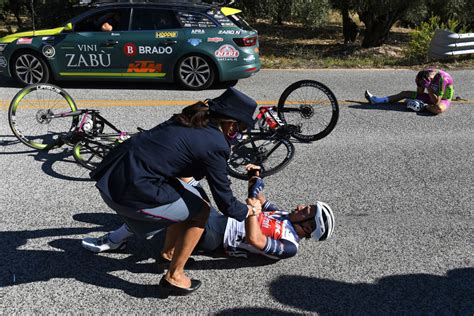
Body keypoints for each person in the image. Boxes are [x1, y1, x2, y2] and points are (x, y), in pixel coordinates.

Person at [82, 87, 258, 297]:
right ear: (231, 124)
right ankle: (174, 277)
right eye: (241, 128)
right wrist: (248, 211)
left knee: (191, 200)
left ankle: (168, 254)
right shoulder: (216, 143)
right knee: (200, 212)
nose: (239, 134)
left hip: (112, 177)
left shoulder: (190, 119)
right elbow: (226, 202)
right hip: (125, 191)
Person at [83, 167, 335, 262]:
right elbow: (259, 198)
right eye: (306, 205)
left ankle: (115, 238)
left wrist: (250, 214)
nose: (301, 206)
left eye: (307, 210)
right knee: (185, 176)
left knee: (180, 208)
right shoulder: (282, 215)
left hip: (218, 237)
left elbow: (257, 242)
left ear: (309, 227)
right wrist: (255, 177)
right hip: (219, 218)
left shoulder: (290, 245)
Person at [364, 68, 454, 114]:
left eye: (425, 83)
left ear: (431, 78)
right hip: (432, 95)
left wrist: (429, 87)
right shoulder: (423, 75)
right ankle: (377, 100)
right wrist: (419, 84)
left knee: (438, 109)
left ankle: (424, 106)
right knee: (404, 93)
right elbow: (420, 93)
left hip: (443, 99)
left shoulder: (443, 79)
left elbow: (436, 101)